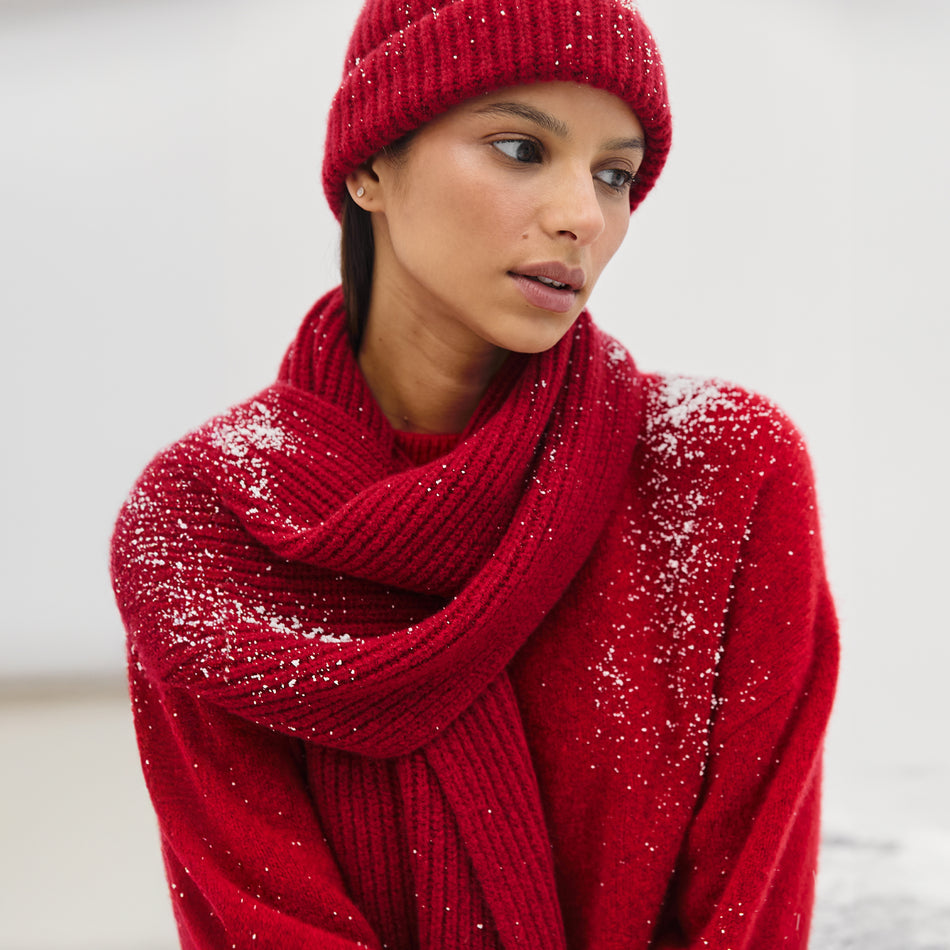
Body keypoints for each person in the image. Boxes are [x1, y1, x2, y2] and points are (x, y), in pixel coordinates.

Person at [110, 0, 839, 947]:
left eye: (615, 174)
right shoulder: (207, 529)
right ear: (371, 163)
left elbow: (748, 914)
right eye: (521, 149)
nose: (585, 216)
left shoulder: (721, 470)